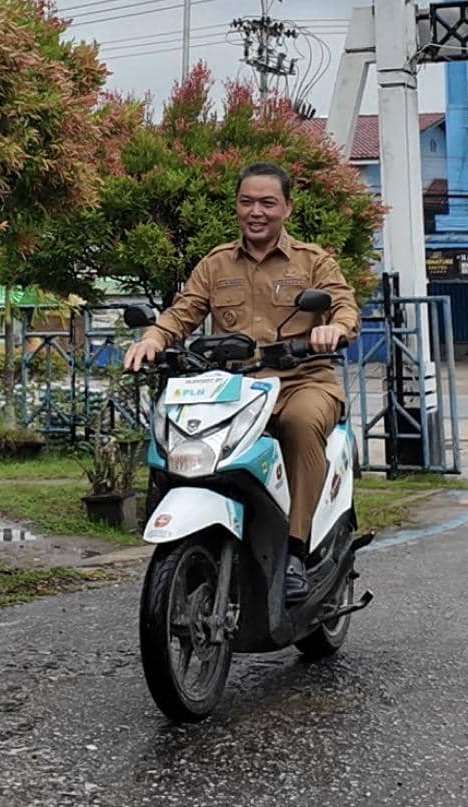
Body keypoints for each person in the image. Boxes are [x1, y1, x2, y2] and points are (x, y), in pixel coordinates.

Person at [123, 162, 360, 603]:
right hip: (235, 389)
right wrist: (153, 338)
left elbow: (344, 306)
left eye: (268, 203)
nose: (256, 212)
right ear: (236, 206)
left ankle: (296, 550)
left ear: (287, 208)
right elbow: (182, 313)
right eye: (247, 202)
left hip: (303, 381)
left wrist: (335, 328)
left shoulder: (312, 261)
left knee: (300, 423)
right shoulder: (216, 264)